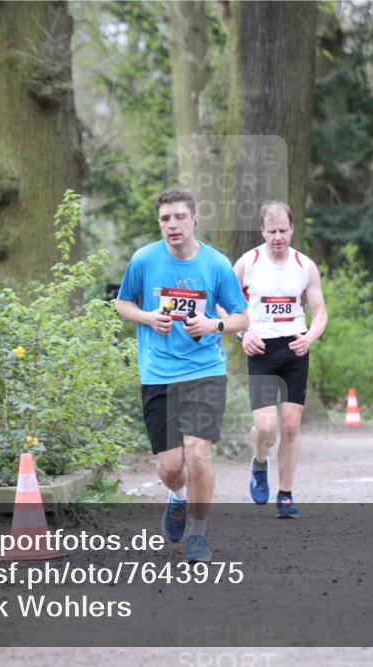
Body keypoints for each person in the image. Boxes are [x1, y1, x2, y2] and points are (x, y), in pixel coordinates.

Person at [115, 187, 249, 562]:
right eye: (164, 219)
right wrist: (148, 317)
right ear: (159, 224)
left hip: (205, 371)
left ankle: (199, 534)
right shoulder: (144, 260)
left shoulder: (217, 264)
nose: (172, 225)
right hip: (159, 373)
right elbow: (123, 303)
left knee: (198, 454)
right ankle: (177, 496)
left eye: (178, 217)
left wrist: (213, 325)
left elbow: (242, 317)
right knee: (172, 467)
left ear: (194, 219)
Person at [232, 202, 327, 519]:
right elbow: (223, 304)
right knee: (265, 426)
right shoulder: (249, 263)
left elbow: (320, 314)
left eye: (283, 231)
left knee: (290, 424)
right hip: (260, 349)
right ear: (262, 231)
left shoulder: (305, 265)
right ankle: (260, 462)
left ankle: (285, 494)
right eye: (271, 231)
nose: (278, 237)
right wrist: (242, 336)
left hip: (295, 348)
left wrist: (309, 337)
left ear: (292, 229)